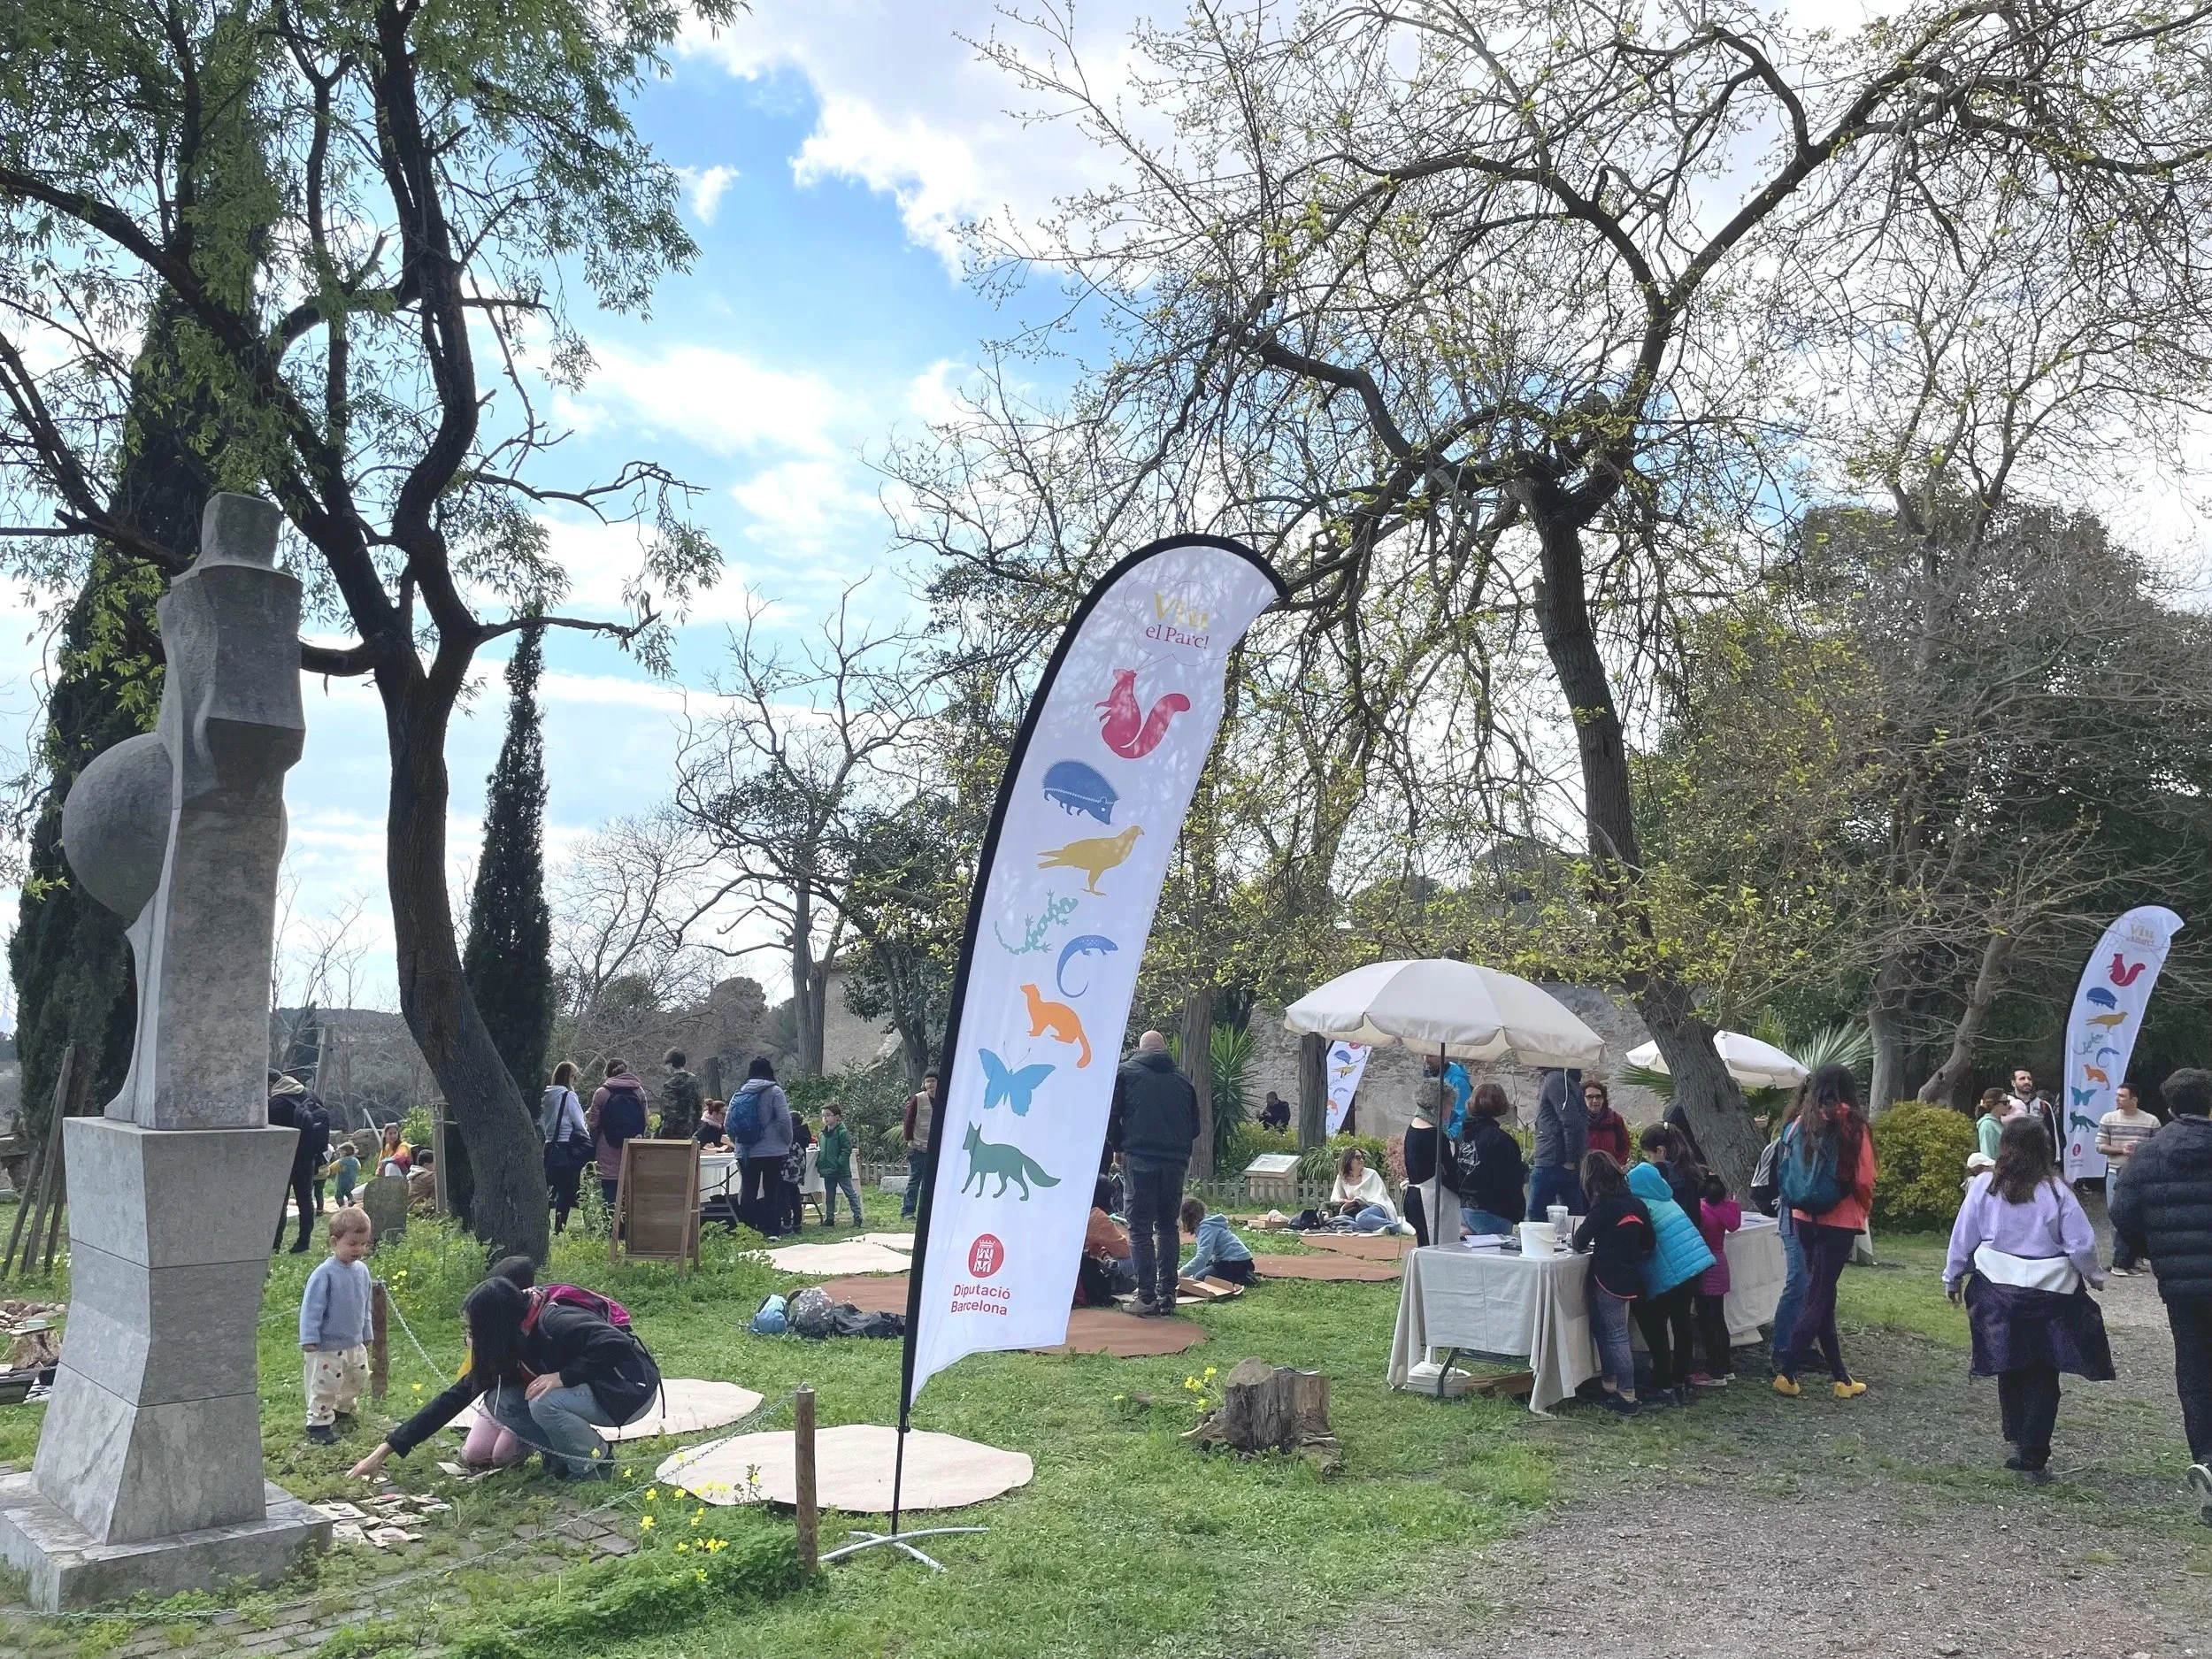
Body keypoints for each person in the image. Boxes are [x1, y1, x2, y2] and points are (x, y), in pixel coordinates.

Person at [350, 1274, 660, 1482]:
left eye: (474, 1329)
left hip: (627, 1393)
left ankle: (595, 1464)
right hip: (591, 1389)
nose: (470, 1336)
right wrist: (386, 1450)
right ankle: (562, 1455)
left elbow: (616, 1344)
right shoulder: (513, 1336)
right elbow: (455, 1397)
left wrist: (563, 1376)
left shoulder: (555, 1319)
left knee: (544, 1399)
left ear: (495, 1324)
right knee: (502, 1401)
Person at [1944, 1117, 2112, 1480]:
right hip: (2049, 1294)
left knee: (2008, 1362)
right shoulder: (2056, 1191)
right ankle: (2034, 1452)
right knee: (2042, 1371)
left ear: (2004, 1147)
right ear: (2044, 1150)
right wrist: (2093, 1276)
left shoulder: (1984, 1186)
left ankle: (2015, 1438)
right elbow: (2081, 1244)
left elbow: (1963, 1235)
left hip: (1995, 1289)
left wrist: (1952, 1277)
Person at [2108, 1067, 2212, 1525]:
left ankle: (2207, 1459)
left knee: (2194, 1367)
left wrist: (2150, 1251)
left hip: (2182, 1285)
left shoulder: (2149, 1156)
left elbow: (2123, 1213)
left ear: (2170, 1108)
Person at [1773, 1063, 1877, 1399]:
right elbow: (1864, 1177)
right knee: (1819, 1294)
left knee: (1824, 1295)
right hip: (1839, 1218)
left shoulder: (1798, 1123)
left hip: (1802, 1215)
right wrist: (1864, 1206)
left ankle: (1841, 1378)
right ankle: (1787, 1370)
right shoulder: (1853, 1125)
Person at [1108, 1030, 1200, 1316]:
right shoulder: (1183, 1080)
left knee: (1140, 1228)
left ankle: (1146, 1297)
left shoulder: (1125, 1073)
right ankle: (1167, 1296)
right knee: (1168, 1226)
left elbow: (1112, 1114)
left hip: (1140, 1159)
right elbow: (1195, 1127)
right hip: (1175, 1162)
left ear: (1141, 1049)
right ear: (1163, 1050)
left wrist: (1118, 1146)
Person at [1626, 1159, 1716, 1408]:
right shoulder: (1668, 1200)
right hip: (1692, 1268)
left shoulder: (1641, 1205)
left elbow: (1642, 1244)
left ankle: (1663, 1385)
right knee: (1682, 1322)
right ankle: (1681, 1377)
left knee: (1654, 1325)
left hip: (1671, 1272)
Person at [1572, 1150, 1654, 1416]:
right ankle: (1610, 1383)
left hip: (1608, 1278)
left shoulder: (1603, 1206)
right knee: (1603, 1328)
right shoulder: (1637, 1204)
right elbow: (1649, 1243)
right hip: (1630, 1275)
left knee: (1616, 1334)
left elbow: (1580, 1240)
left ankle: (1627, 1394)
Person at [300, 1207, 374, 1445]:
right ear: (334, 1242)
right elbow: (312, 1308)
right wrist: (309, 1336)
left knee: (357, 1378)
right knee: (325, 1384)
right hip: (327, 1345)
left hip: (354, 1342)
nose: (359, 1250)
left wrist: (366, 1331)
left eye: (363, 1244)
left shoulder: (362, 1271)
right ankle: (319, 1424)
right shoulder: (324, 1274)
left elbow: (365, 1305)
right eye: (353, 1244)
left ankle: (343, 1410)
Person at [727, 1057, 792, 1237]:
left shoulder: (739, 1092)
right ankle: (771, 1230)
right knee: (772, 1189)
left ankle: (747, 1230)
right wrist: (786, 1142)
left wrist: (738, 1142)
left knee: (748, 1189)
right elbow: (785, 1120)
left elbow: (728, 1122)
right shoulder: (775, 1091)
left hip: (745, 1150)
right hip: (773, 1150)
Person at [2098, 1083, 2159, 1274]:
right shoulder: (2108, 1118)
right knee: (2116, 1212)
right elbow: (2100, 1146)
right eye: (2117, 1095)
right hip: (2116, 1171)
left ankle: (2137, 1257)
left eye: (2122, 1096)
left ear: (2134, 1099)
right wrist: (2121, 1149)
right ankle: (2120, 1258)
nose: (2117, 1099)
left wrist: (2140, 1150)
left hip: (2142, 1174)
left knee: (2141, 1215)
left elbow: (2159, 1147)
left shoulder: (2151, 1121)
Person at [269, 1071, 329, 1254]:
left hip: (284, 1158)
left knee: (280, 1201)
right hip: (308, 1156)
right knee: (305, 1199)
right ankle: (304, 1242)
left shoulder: (276, 1104)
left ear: (272, 1083)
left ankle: (275, 1244)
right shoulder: (310, 1095)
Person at [1693, 1170, 1742, 1386]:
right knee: (1718, 1319)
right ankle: (1725, 1366)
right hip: (1720, 1263)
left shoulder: (1701, 1210)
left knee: (1706, 1320)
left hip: (1704, 1264)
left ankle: (1714, 1371)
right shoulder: (1727, 1209)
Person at [1458, 1083, 1527, 1237]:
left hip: (1465, 1208)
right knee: (1496, 1258)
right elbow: (1509, 1180)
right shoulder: (1502, 1140)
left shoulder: (1463, 1137)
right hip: (1493, 1210)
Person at [1400, 1082, 1459, 1247]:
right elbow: (1449, 1174)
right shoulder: (1435, 1135)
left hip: (1416, 1197)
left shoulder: (1414, 1126)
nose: (1451, 1111)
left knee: (1426, 1247)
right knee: (1438, 1251)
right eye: (1450, 1105)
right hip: (1432, 1202)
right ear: (1438, 1106)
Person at [589, 1059, 650, 1209]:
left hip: (607, 1149)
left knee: (609, 1192)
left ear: (607, 1073)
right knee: (629, 1192)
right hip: (632, 1149)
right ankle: (627, 1228)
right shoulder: (639, 1091)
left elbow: (593, 1123)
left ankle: (611, 1228)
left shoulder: (602, 1093)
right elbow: (646, 1121)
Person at [541, 1060, 591, 1233]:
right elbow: (578, 1122)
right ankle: (559, 1227)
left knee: (547, 1189)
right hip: (565, 1147)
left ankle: (542, 1224)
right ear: (568, 1078)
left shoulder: (545, 1096)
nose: (575, 1081)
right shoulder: (568, 1096)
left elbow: (542, 1121)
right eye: (574, 1077)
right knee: (566, 1190)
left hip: (549, 1146)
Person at [1529, 1066, 1587, 1217]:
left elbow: (1571, 1122)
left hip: (1553, 1160)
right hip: (1556, 1158)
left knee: (1536, 1214)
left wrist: (1570, 1160)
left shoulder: (1556, 1079)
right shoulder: (1562, 1079)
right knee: (1573, 1215)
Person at [1079, 1177, 1138, 1304]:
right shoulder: (1096, 1215)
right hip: (1084, 1272)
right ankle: (1115, 1285)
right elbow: (1124, 1250)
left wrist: (1104, 1251)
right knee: (1134, 1259)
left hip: (1074, 1266)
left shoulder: (1077, 1209)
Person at [1180, 1197, 1256, 1286]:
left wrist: (1182, 1272)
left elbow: (1202, 1256)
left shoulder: (1206, 1228)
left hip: (1235, 1263)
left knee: (1200, 1277)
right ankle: (1243, 1274)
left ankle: (1243, 1277)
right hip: (1239, 1260)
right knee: (1200, 1270)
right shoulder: (1207, 1224)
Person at [1637, 1123, 1704, 1220]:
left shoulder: (1662, 1169)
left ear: (1660, 1151)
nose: (1650, 1160)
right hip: (1692, 1225)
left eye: (1649, 1156)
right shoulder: (1688, 1166)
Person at [901, 1071, 939, 1220]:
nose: (930, 1084)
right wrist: (909, 1139)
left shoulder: (945, 1097)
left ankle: (930, 1211)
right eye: (928, 1081)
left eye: (933, 1081)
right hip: (918, 1146)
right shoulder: (918, 1098)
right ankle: (908, 1211)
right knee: (915, 1179)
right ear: (924, 1084)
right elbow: (908, 1120)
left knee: (933, 1181)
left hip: (936, 1148)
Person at [817, 1103, 860, 1228]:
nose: (825, 1118)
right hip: (827, 1170)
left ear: (837, 1117)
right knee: (829, 1195)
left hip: (841, 1170)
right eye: (823, 1116)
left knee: (849, 1193)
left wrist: (839, 1163)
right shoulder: (822, 1135)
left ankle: (857, 1216)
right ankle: (829, 1218)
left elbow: (846, 1150)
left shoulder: (842, 1132)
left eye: (828, 1115)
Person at [2008, 1065, 2059, 1160]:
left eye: (2029, 1079)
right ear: (2013, 1083)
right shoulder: (2006, 1103)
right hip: (2013, 1159)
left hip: (2038, 1160)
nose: (2027, 1082)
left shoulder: (2043, 1105)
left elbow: (2053, 1133)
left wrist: (2055, 1158)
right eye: (2022, 1079)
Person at [1581, 1079, 1632, 1165]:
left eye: (1598, 1097)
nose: (1595, 1101)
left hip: (1610, 1170)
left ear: (1604, 1098)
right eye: (1590, 1097)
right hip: (1585, 1172)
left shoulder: (1615, 1119)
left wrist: (1618, 1164)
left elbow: (1625, 1145)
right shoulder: (1577, 1121)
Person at [658, 1048, 702, 1141]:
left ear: (670, 1065)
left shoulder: (670, 1084)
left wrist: (660, 1134)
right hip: (692, 1131)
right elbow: (699, 1107)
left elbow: (668, 1113)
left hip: (674, 1134)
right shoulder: (695, 1081)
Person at [1976, 1087, 2008, 1162]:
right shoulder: (1987, 1125)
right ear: (1994, 1104)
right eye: (2005, 1102)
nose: (2008, 1105)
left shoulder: (1999, 1124)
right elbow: (1987, 1154)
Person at [328, 1139, 362, 1210]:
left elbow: (331, 1168)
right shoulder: (355, 1161)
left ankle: (342, 1207)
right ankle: (351, 1203)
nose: (339, 1155)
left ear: (344, 1152)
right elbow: (359, 1167)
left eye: (340, 1153)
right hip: (351, 1182)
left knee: (339, 1196)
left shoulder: (340, 1162)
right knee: (350, 1194)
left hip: (341, 1184)